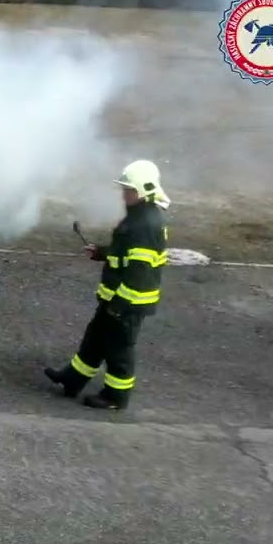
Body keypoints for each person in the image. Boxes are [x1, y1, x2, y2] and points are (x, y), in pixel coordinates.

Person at [45, 159, 169, 410]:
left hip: (127, 302)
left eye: (129, 190)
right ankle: (72, 379)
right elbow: (126, 252)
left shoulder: (145, 224)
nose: (124, 194)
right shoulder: (139, 216)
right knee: (95, 339)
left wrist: (119, 305)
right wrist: (102, 252)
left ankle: (115, 397)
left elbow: (139, 272)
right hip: (116, 298)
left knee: (119, 349)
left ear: (144, 190)